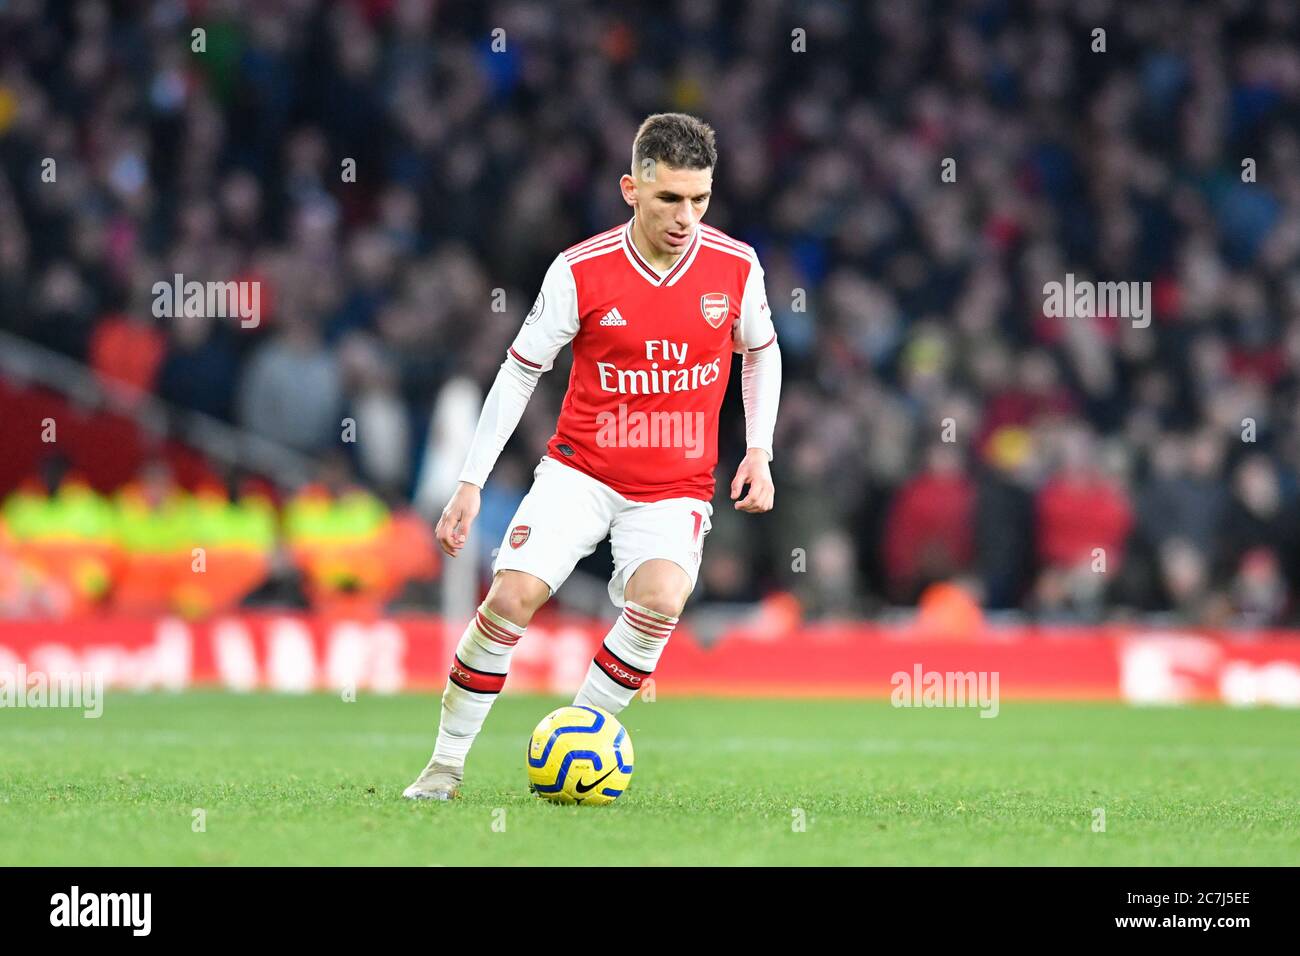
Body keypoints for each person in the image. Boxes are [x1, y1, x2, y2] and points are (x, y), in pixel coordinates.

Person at [403, 113, 783, 799]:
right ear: (631, 189)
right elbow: (521, 370)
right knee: (511, 598)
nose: (686, 216)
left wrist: (759, 448)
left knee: (662, 599)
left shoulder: (735, 265)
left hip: (675, 484)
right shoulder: (581, 271)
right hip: (581, 471)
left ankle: (582, 742)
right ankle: (444, 766)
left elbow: (760, 350)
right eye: (670, 198)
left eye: (700, 199)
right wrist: (470, 482)